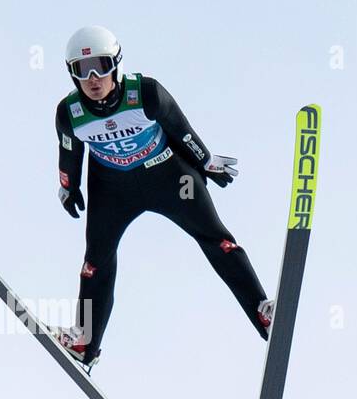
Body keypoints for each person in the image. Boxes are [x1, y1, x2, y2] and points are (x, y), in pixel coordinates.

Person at [54, 25, 273, 368]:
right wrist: (68, 187)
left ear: (116, 64)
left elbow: (181, 130)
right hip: (112, 191)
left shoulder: (145, 93)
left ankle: (263, 313)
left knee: (217, 239)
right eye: (82, 71)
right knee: (95, 262)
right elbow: (69, 153)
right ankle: (86, 342)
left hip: (168, 178)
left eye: (101, 66)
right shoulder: (70, 114)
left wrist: (207, 161)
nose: (93, 78)